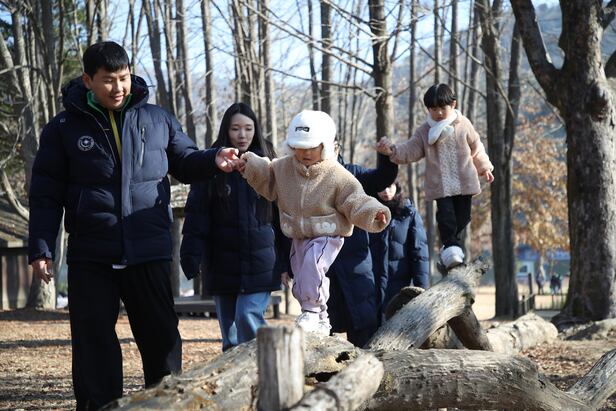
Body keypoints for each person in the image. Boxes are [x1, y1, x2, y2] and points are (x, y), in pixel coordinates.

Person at [27, 41, 239, 410]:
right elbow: (46, 194)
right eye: (108, 80)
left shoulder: (157, 119)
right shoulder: (62, 128)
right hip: (92, 253)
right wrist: (41, 247)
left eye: (123, 78)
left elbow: (185, 160)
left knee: (162, 341)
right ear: (88, 80)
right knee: (93, 346)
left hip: (148, 249)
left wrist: (213, 158)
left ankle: (168, 405)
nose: (118, 87)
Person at [238, 110, 391, 336]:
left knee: (312, 265)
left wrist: (374, 212)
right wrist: (250, 165)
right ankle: (320, 318)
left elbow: (355, 199)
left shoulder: (336, 174)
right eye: (300, 147)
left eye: (312, 147)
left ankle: (311, 310)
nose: (305, 153)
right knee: (301, 275)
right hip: (298, 233)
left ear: (325, 145)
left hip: (327, 233)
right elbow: (267, 175)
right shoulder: (284, 168)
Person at [180, 103, 288, 351]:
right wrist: (190, 256)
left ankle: (267, 364)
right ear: (226, 131)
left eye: (248, 128)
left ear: (255, 130)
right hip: (221, 263)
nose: (242, 135)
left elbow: (283, 216)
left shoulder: (271, 165)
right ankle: (234, 375)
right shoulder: (211, 165)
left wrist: (287, 262)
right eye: (235, 128)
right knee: (229, 337)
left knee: (247, 315)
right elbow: (196, 215)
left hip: (261, 263)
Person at [376, 83, 494, 269]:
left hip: (464, 183)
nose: (438, 113)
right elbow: (411, 149)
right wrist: (393, 150)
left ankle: (450, 251)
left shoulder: (463, 124)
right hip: (441, 186)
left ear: (453, 104)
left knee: (463, 218)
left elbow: (476, 147)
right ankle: (450, 250)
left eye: (442, 108)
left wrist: (484, 167)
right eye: (433, 109)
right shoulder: (424, 131)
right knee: (446, 218)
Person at [326, 143, 398, 347]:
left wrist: (386, 157)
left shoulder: (353, 174)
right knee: (322, 331)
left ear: (337, 147)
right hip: (321, 268)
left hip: (356, 266)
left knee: (363, 331)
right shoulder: (304, 177)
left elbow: (382, 178)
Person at [369, 181, 429, 324]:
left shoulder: (408, 213)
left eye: (389, 186)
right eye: (381, 187)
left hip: (399, 287)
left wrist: (421, 289)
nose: (386, 191)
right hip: (370, 286)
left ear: (397, 186)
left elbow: (419, 252)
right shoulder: (365, 212)